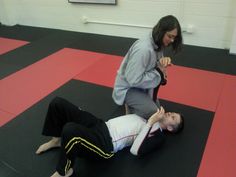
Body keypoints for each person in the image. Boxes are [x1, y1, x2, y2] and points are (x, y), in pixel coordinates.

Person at [36, 97, 184, 177]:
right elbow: (129, 118)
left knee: (70, 130)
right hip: (101, 125)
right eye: (172, 113)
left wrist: (151, 122)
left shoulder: (158, 135)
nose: (170, 114)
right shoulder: (149, 113)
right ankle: (57, 140)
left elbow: (136, 150)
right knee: (58, 103)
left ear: (170, 128)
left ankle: (65, 171)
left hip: (106, 144)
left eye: (173, 118)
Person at [112, 15, 183, 119]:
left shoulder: (158, 43)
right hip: (128, 88)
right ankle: (129, 105)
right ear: (161, 31)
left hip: (142, 87)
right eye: (170, 36)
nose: (172, 40)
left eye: (174, 37)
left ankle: (137, 103)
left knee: (159, 112)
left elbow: (155, 66)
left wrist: (162, 63)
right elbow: (132, 80)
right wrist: (159, 71)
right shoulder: (143, 49)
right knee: (154, 113)